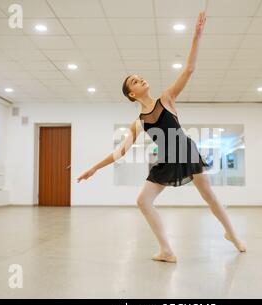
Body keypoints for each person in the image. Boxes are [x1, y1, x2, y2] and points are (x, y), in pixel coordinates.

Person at [77, 11, 246, 263]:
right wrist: (94, 168)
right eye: (135, 81)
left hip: (186, 151)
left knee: (209, 196)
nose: (140, 79)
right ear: (132, 94)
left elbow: (189, 69)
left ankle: (232, 234)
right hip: (166, 160)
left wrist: (196, 36)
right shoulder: (138, 123)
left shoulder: (166, 98)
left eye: (139, 76)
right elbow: (120, 152)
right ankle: (166, 250)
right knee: (143, 201)